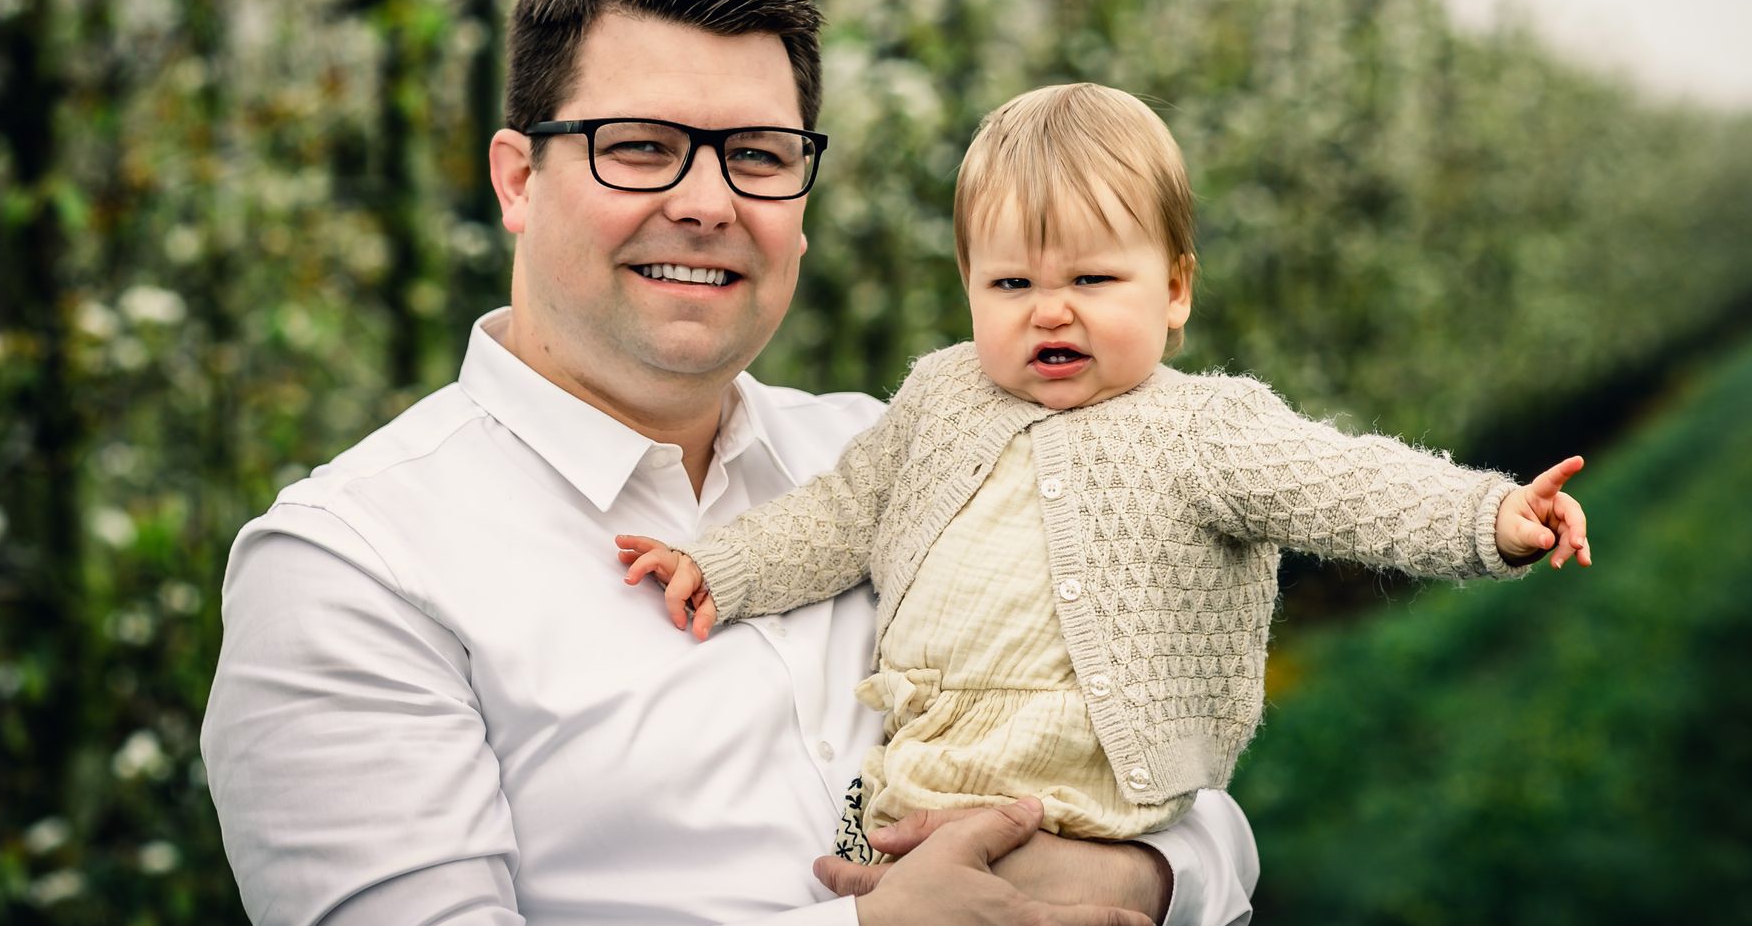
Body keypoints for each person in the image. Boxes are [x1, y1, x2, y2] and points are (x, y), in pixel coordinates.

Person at [200, 0, 1260, 926]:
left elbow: (1187, 792)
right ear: (519, 179)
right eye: (641, 148)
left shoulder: (908, 456)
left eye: (757, 154)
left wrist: (1135, 872)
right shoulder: (354, 565)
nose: (708, 202)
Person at [617, 83, 1593, 859]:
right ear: (967, 288)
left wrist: (1487, 514)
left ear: (1173, 290)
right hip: (909, 782)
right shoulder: (941, 393)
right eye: (1011, 283)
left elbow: (1345, 483)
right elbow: (838, 513)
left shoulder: (1202, 426)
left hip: (1080, 809)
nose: (1050, 310)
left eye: (1091, 279)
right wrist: (727, 567)